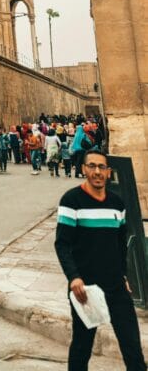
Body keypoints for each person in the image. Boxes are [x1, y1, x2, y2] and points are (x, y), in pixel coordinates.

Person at [55, 150, 146, 371]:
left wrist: (123, 275)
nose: (97, 171)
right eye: (92, 166)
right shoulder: (71, 200)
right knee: (82, 346)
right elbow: (62, 244)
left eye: (102, 167)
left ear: (108, 172)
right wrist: (74, 277)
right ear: (84, 169)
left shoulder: (117, 203)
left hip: (116, 287)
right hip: (85, 289)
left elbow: (120, 244)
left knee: (132, 347)